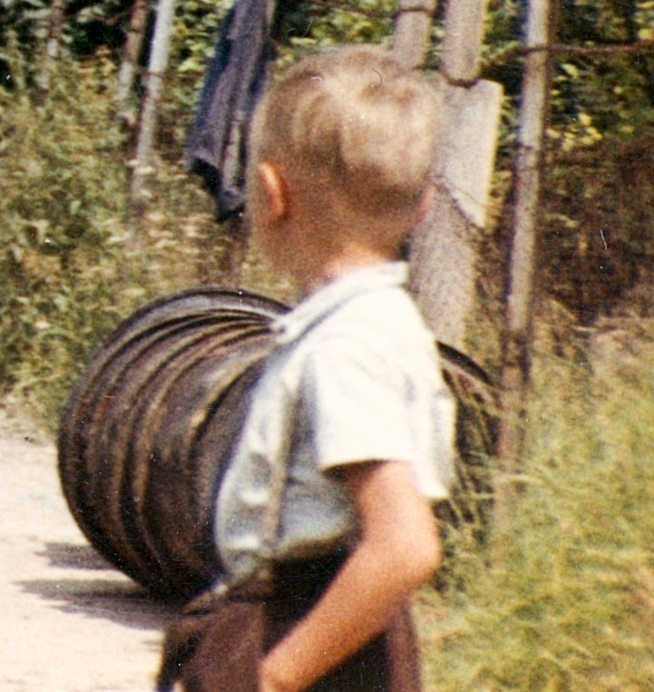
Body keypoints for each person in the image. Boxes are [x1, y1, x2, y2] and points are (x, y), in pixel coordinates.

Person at [159, 46, 454, 692]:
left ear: (269, 193)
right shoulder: (385, 324)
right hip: (344, 629)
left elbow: (403, 544)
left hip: (299, 628)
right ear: (424, 204)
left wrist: (275, 676)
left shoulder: (344, 347)